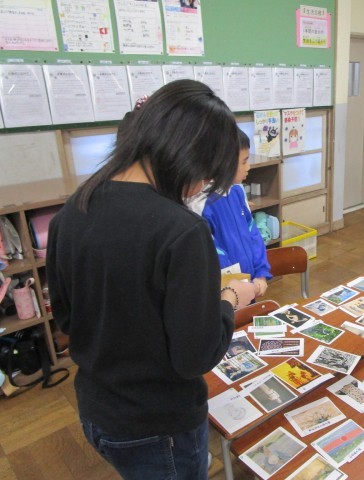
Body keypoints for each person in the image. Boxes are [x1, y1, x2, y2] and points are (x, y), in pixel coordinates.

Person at [46, 80, 257, 480]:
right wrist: (230, 297)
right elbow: (196, 356)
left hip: (97, 410)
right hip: (159, 424)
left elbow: (68, 321)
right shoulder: (182, 231)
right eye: (206, 175)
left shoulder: (73, 210)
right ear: (187, 155)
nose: (201, 186)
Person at [196, 129, 271, 297]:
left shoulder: (237, 190)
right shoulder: (203, 204)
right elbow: (214, 254)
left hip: (249, 285)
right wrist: (240, 285)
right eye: (244, 162)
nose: (248, 167)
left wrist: (261, 273)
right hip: (227, 293)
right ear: (224, 162)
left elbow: (253, 233)